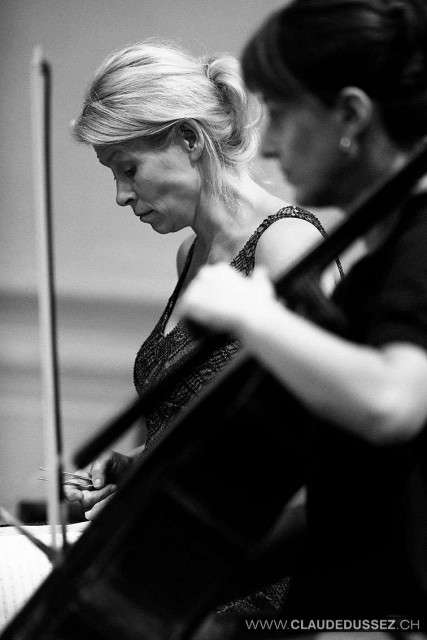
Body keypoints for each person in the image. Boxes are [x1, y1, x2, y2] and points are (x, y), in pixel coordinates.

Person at [180, 0, 427, 620]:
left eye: (283, 114)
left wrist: (254, 314)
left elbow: (392, 403)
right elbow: (347, 505)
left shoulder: (420, 248)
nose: (266, 149)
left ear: (350, 115)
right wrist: (183, 576)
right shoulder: (377, 262)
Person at [68, 41, 338, 520]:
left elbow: (318, 441)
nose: (121, 195)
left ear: (190, 139)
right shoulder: (189, 255)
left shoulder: (285, 244)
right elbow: (213, 433)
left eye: (129, 169)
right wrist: (137, 466)